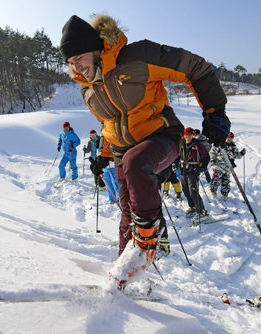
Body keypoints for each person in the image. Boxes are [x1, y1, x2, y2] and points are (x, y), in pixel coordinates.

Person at [59, 14, 230, 289]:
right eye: (70, 62)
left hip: (160, 137)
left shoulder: (137, 57)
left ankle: (149, 241)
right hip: (122, 152)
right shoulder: (88, 91)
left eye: (79, 57)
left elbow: (195, 68)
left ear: (96, 48)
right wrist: (102, 155)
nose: (76, 66)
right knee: (127, 214)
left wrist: (215, 111)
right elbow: (108, 124)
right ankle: (124, 278)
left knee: (135, 162)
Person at [179, 127, 210, 219]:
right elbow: (177, 155)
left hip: (192, 171)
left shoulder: (198, 145)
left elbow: (206, 157)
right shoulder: (181, 143)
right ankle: (192, 207)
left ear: (192, 135)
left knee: (193, 192)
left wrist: (201, 168)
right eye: (186, 134)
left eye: (189, 134)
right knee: (186, 191)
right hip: (182, 171)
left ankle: (201, 211)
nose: (187, 136)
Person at [210, 132, 246, 199]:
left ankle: (224, 195)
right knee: (217, 179)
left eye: (231, 137)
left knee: (226, 182)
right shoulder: (219, 144)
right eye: (228, 137)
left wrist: (241, 153)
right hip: (218, 166)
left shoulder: (233, 146)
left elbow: (236, 155)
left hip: (228, 168)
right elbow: (212, 153)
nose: (229, 139)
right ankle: (213, 191)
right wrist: (213, 160)